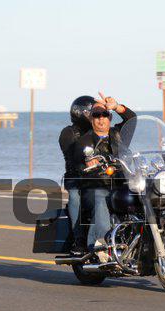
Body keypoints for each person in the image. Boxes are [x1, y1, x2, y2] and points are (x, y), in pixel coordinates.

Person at [74, 92, 136, 251]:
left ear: (110, 117)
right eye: (96, 115)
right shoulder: (84, 141)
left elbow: (132, 119)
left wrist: (116, 107)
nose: (101, 118)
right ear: (91, 118)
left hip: (122, 184)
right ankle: (101, 244)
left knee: (150, 192)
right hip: (95, 187)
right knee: (101, 197)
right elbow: (79, 160)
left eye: (104, 114)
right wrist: (88, 161)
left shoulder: (119, 134)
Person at [59, 95, 95, 255]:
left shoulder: (101, 130)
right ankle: (79, 239)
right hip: (77, 177)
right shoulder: (69, 133)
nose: (93, 115)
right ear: (79, 113)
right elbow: (73, 156)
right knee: (75, 198)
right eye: (90, 112)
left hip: (99, 177)